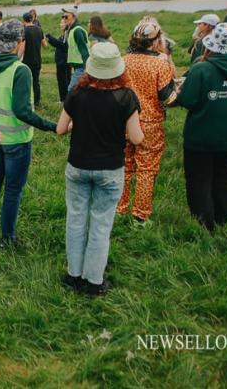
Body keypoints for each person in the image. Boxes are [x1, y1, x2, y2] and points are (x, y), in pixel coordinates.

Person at [56, 43, 144, 296]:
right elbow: (137, 138)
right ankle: (93, 282)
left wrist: (77, 126)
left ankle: (74, 275)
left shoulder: (76, 93)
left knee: (75, 219)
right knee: (101, 224)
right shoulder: (126, 97)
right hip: (110, 168)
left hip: (78, 165)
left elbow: (61, 129)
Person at [0, 21, 57, 248]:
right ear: (20, 43)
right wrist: (50, 125)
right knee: (12, 191)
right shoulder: (20, 70)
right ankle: (8, 239)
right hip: (17, 141)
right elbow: (22, 111)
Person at [177, 23, 227, 233]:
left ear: (211, 45)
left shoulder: (201, 68)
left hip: (201, 136)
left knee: (199, 179)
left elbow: (188, 100)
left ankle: (204, 226)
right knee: (223, 176)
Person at [116, 19, 177, 224]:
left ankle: (120, 207)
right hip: (149, 121)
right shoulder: (161, 63)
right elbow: (168, 97)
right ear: (155, 40)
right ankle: (140, 215)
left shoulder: (123, 60)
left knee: (124, 166)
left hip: (123, 119)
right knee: (146, 168)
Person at [21, 11, 45, 108]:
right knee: (36, 81)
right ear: (32, 19)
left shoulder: (24, 31)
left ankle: (27, 101)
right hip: (37, 59)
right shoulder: (39, 29)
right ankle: (37, 102)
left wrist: (17, 58)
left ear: (23, 20)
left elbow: (22, 47)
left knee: (26, 82)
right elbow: (45, 45)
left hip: (27, 60)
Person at [62, 9, 89, 93]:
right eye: (63, 17)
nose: (64, 19)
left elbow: (84, 50)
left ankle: (71, 106)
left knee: (71, 89)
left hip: (81, 66)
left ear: (73, 17)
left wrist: (87, 67)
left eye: (66, 17)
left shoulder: (77, 30)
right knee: (80, 89)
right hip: (77, 66)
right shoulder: (71, 29)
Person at [46, 16, 72, 102]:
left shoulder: (67, 34)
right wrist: (50, 40)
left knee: (63, 81)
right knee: (65, 80)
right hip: (62, 61)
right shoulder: (64, 34)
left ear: (66, 24)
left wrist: (50, 37)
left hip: (63, 61)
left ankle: (64, 100)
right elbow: (59, 44)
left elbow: (63, 46)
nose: (60, 24)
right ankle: (65, 98)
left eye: (62, 23)